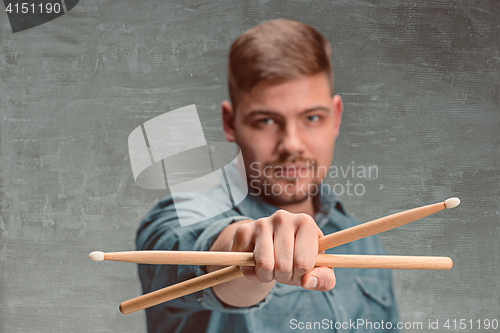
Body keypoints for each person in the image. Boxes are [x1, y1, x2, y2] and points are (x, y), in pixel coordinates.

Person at [136, 19, 400, 332]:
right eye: (266, 121)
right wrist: (249, 249)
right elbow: (211, 253)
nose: (291, 143)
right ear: (230, 123)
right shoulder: (178, 219)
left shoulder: (365, 243)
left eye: (312, 117)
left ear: (336, 117)